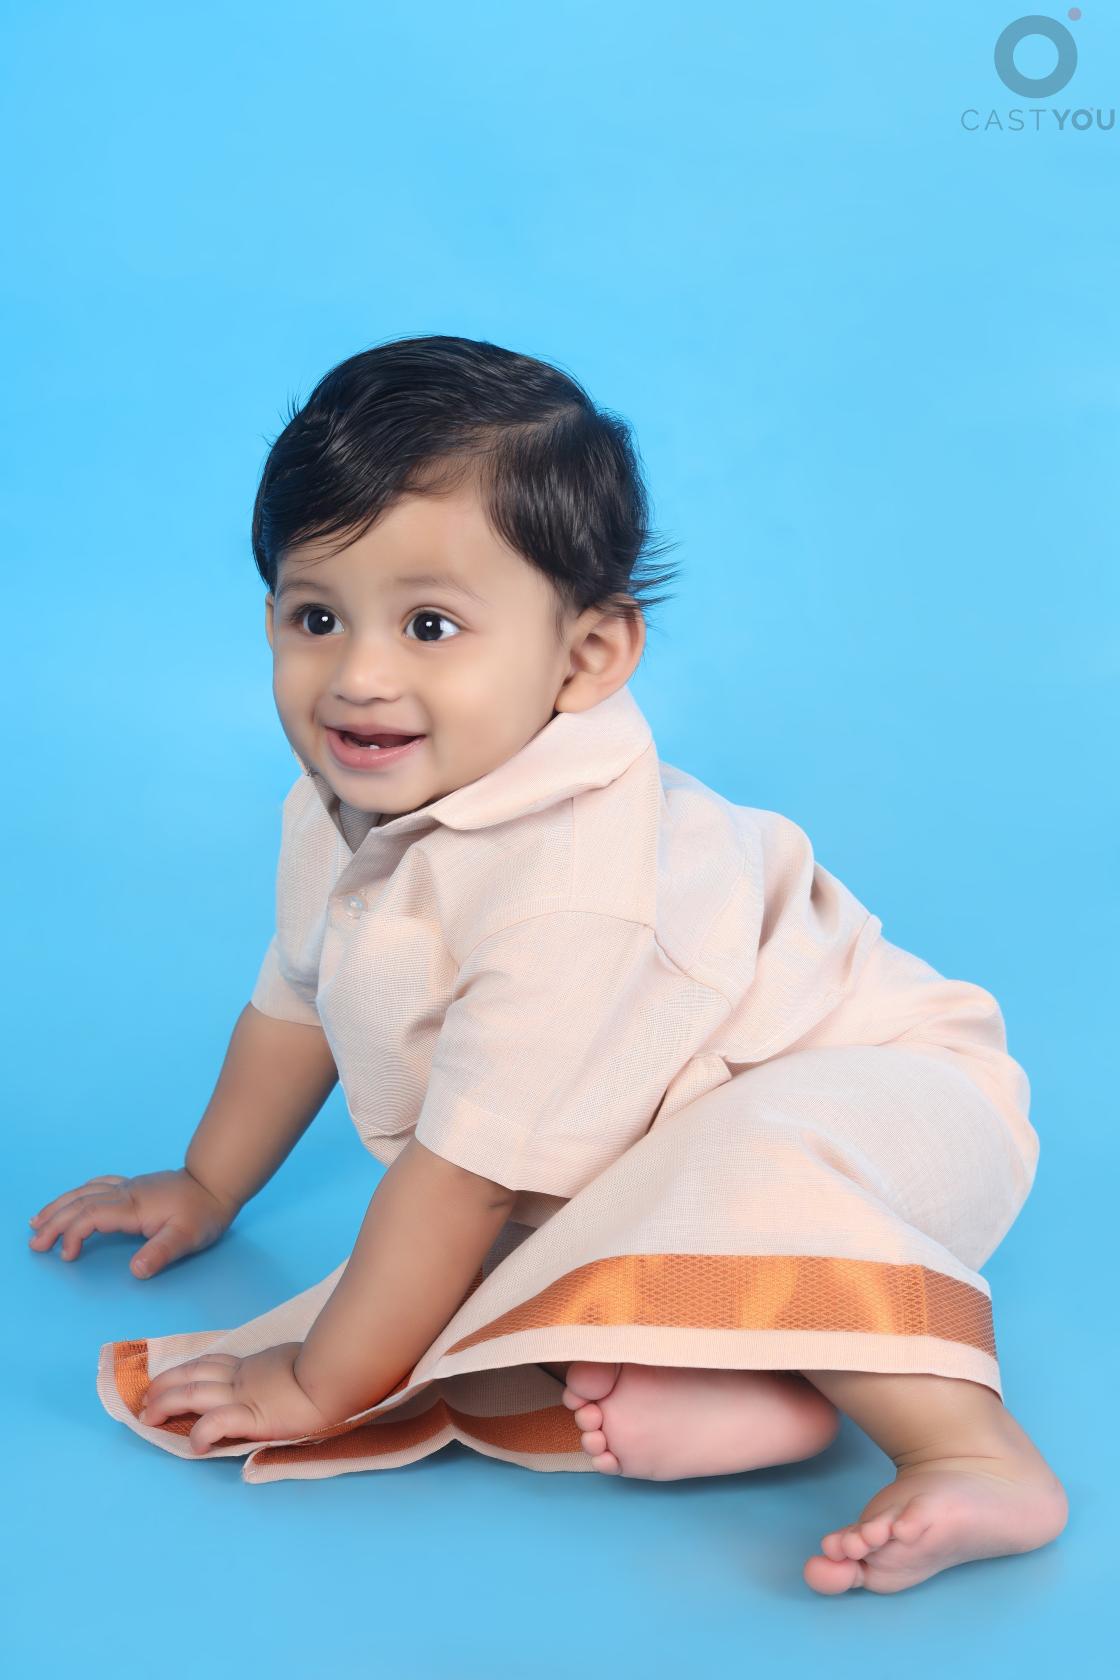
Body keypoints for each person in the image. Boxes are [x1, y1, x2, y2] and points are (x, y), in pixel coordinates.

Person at [29, 334, 1068, 1595]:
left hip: (893, 1097)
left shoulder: (574, 891)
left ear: (585, 658)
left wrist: (314, 1382)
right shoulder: (346, 801)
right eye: (317, 617)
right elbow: (295, 1001)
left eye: (430, 625)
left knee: (725, 1167)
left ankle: (968, 1452)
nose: (359, 676)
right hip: (651, 1124)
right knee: (538, 1259)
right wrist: (204, 1184)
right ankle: (753, 1383)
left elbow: (460, 1183)